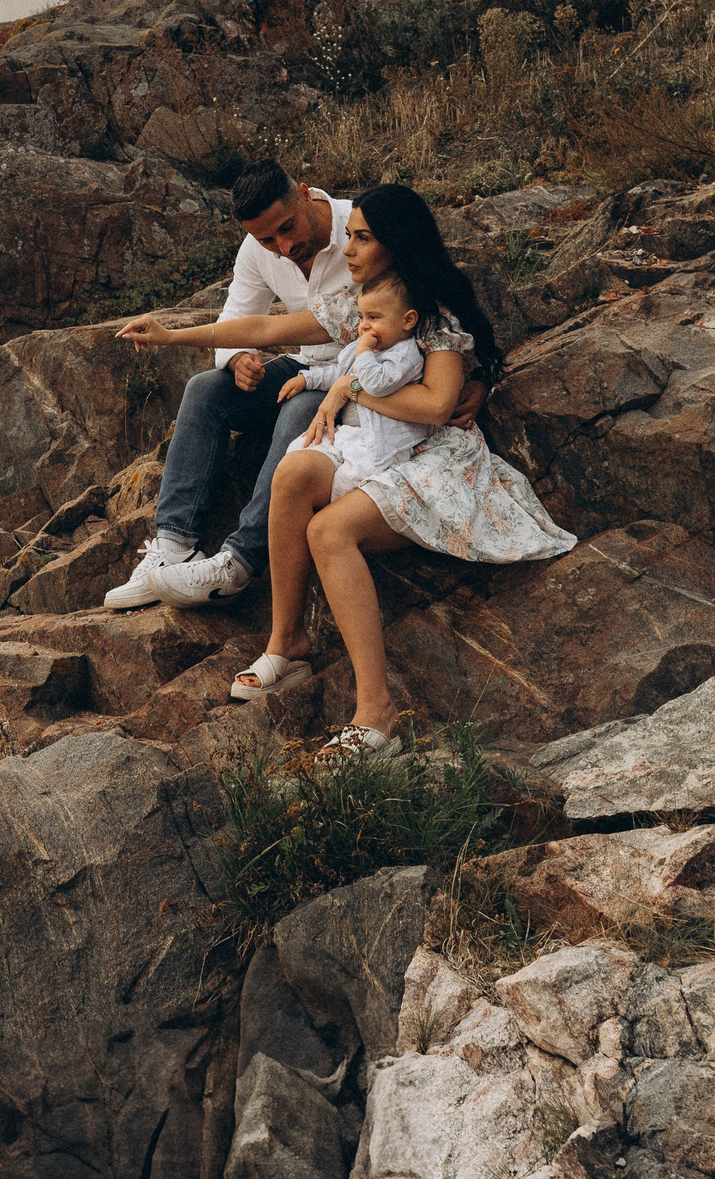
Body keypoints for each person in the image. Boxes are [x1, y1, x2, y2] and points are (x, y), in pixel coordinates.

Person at [239, 184, 578, 761]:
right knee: (292, 474)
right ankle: (287, 641)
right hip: (377, 445)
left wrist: (354, 389)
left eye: (362, 237)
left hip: (433, 454)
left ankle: (376, 711)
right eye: (350, 234)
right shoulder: (364, 299)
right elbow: (268, 331)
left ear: (398, 242)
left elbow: (435, 407)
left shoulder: (430, 310)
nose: (347, 248)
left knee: (328, 531)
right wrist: (174, 336)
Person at [100, 161, 352, 609]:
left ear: (305, 192)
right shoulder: (259, 250)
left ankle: (237, 562)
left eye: (287, 228)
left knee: (298, 413)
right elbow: (235, 321)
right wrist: (237, 359)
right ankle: (174, 546)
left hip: (354, 379)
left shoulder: (360, 228)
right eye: (267, 239)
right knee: (204, 389)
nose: (285, 246)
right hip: (302, 364)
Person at [283, 276, 436, 502]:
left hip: (381, 441)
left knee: (347, 480)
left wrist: (363, 351)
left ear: (408, 320)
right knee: (298, 449)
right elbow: (341, 373)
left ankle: (328, 510)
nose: (364, 325)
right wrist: (308, 379)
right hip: (351, 432)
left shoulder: (405, 354)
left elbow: (377, 384)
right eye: (361, 317)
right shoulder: (365, 348)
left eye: (374, 317)